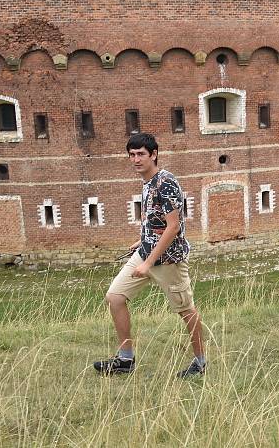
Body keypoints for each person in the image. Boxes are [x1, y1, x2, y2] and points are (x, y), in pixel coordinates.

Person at [94, 133, 205, 377]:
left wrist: (149, 263)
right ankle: (125, 359)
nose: (135, 159)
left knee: (186, 310)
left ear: (153, 154)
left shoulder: (165, 182)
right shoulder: (147, 181)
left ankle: (200, 362)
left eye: (141, 154)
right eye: (132, 155)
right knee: (115, 297)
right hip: (146, 253)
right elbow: (155, 220)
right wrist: (142, 240)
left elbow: (173, 226)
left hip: (168, 261)